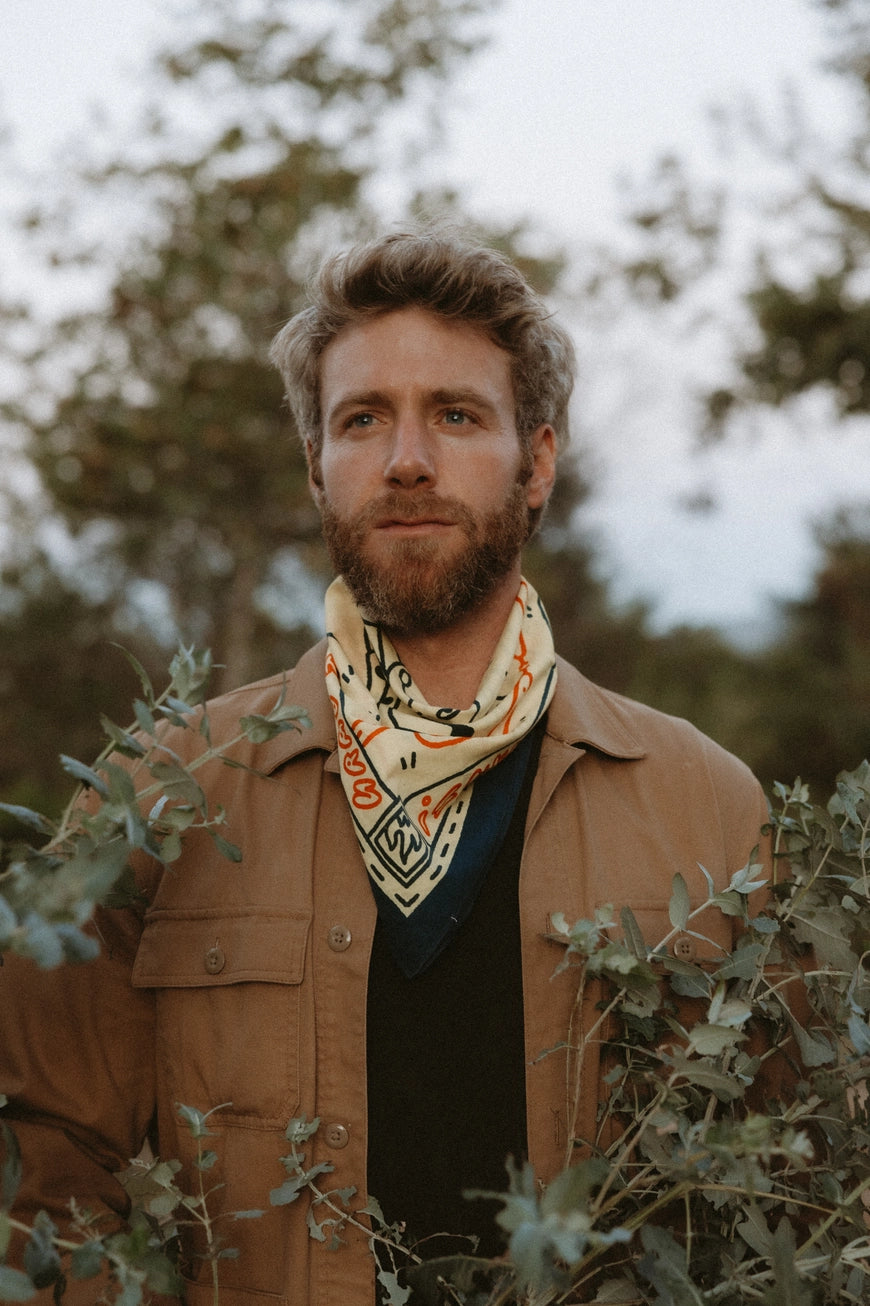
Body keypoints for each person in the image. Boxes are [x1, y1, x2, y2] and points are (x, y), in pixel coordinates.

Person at [0, 231, 771, 1305]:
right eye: (364, 419)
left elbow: (784, 1191)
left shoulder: (708, 808)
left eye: (457, 414)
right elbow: (47, 1201)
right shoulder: (154, 803)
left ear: (536, 460)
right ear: (318, 462)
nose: (408, 460)